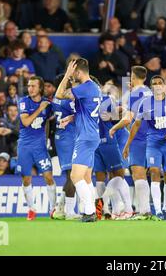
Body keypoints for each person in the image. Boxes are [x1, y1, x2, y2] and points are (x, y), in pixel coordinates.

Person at [123, 75, 166, 220]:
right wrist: (127, 145)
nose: (157, 85)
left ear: (164, 86)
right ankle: (158, 211)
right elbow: (136, 125)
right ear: (151, 87)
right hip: (152, 143)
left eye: (159, 83)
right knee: (155, 172)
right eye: (154, 84)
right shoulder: (145, 103)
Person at [55, 58, 102, 223]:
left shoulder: (86, 87)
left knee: (75, 177)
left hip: (85, 137)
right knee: (87, 177)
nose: (72, 76)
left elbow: (59, 95)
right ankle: (92, 210)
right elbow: (87, 112)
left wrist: (66, 75)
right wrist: (71, 118)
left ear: (78, 72)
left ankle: (89, 212)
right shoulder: (94, 88)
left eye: (73, 72)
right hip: (91, 135)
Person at [110, 66, 153, 220]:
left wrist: (114, 128)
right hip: (152, 136)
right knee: (144, 174)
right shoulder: (149, 91)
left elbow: (128, 119)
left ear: (133, 78)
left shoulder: (135, 94)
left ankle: (144, 212)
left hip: (139, 137)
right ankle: (146, 210)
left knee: (138, 173)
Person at [17, 76, 57, 221]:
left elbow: (50, 119)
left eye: (33, 86)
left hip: (40, 147)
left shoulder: (48, 104)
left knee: (48, 177)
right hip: (25, 147)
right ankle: (31, 209)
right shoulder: (24, 102)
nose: (30, 88)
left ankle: (53, 209)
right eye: (29, 86)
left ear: (40, 88)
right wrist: (40, 109)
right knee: (27, 179)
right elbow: (26, 122)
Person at [94, 85, 133, 220]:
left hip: (118, 137)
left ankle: (126, 208)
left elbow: (124, 111)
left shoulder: (107, 99)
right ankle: (111, 210)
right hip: (101, 141)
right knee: (104, 175)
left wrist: (112, 115)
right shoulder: (85, 102)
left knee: (118, 173)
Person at [50, 73, 79, 221]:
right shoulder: (68, 101)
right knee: (72, 176)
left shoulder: (56, 99)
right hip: (68, 138)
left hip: (64, 138)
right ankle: (69, 211)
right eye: (71, 81)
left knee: (72, 175)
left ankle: (60, 209)